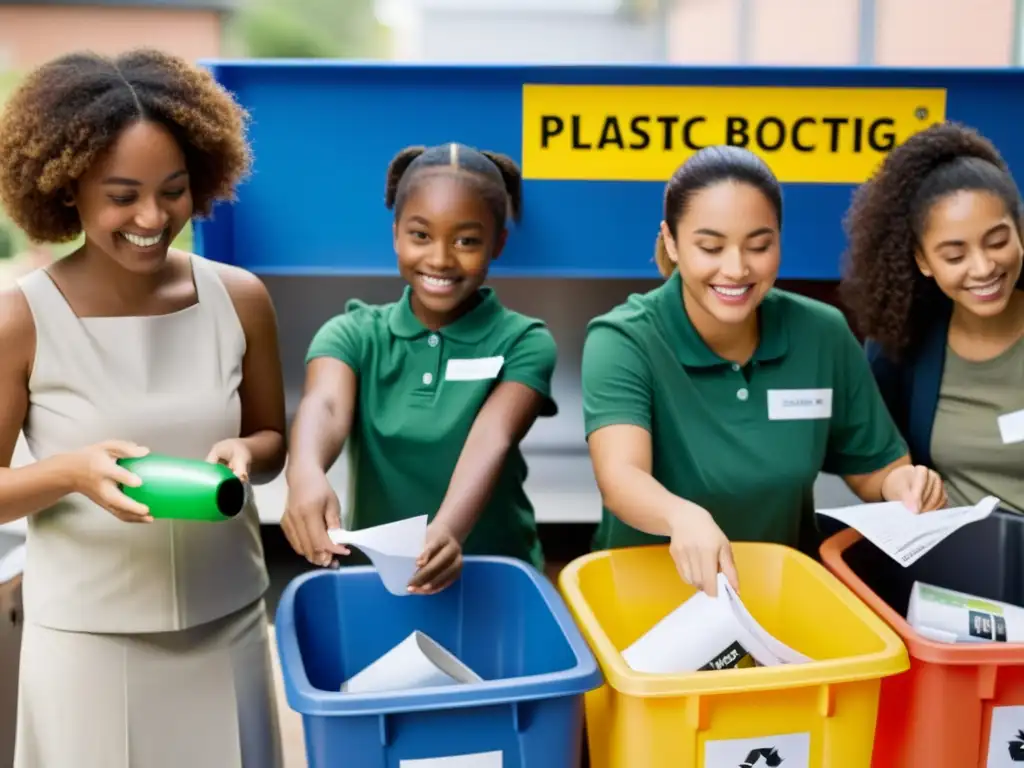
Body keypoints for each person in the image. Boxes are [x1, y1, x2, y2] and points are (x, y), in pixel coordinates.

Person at [0, 49, 286, 768]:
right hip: (86, 645)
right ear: (68, 189)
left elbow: (272, 437)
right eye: (122, 194)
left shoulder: (241, 298)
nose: (153, 217)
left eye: (174, 190)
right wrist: (71, 473)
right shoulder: (22, 320)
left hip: (229, 627)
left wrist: (249, 453)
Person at [581, 144, 947, 597]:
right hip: (649, 599)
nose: (736, 269)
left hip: (781, 595)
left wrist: (904, 484)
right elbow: (621, 477)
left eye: (759, 245)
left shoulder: (821, 333)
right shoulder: (623, 340)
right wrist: (683, 516)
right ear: (672, 242)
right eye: (710, 247)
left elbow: (875, 466)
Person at [282, 142, 557, 594]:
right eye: (421, 235)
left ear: (499, 242)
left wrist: (449, 529)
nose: (441, 259)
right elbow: (326, 405)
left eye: (467, 240)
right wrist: (305, 473)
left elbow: (493, 437)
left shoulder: (524, 341)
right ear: (395, 234)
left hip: (498, 575)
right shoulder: (352, 334)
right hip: (380, 579)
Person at [840, 122, 1024, 513]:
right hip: (963, 565)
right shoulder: (903, 346)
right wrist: (903, 488)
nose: (983, 267)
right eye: (954, 256)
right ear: (923, 260)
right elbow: (872, 462)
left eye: (998, 241)